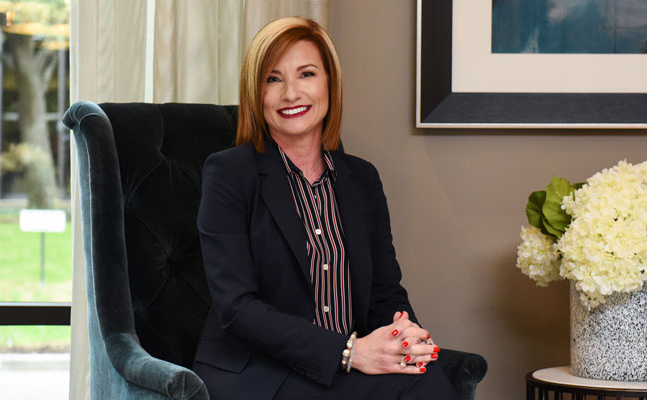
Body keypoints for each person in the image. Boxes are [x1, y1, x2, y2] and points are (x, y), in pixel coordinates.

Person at [193, 17, 457, 400]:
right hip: (260, 372)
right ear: (255, 93)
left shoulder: (362, 179)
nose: (291, 93)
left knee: (426, 376)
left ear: (330, 83)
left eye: (306, 74)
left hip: (344, 369)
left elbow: (384, 290)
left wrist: (403, 335)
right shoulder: (228, 174)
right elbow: (237, 308)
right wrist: (349, 352)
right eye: (272, 79)